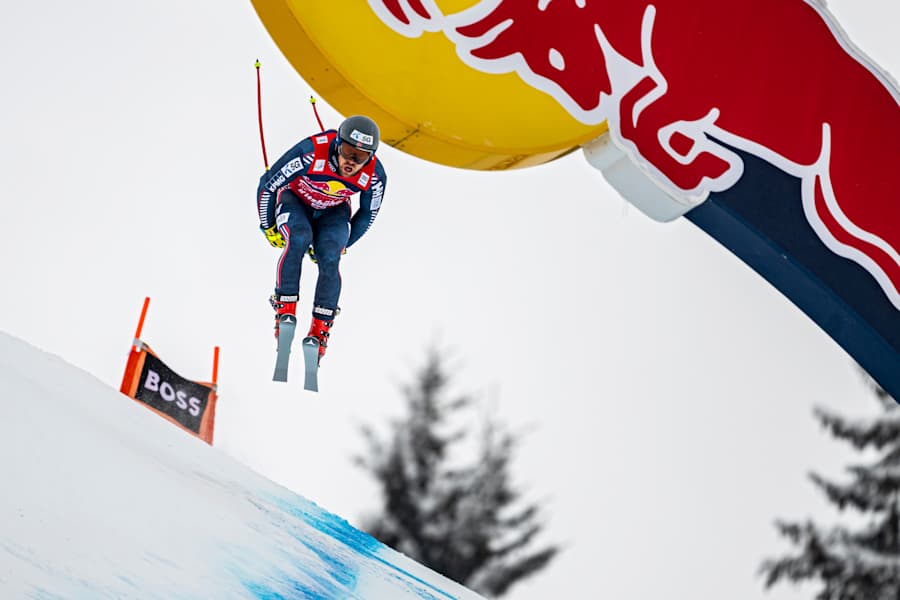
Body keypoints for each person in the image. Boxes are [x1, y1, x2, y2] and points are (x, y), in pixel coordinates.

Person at [256, 115, 387, 363]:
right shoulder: (311, 152)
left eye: (361, 157)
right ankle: (285, 309)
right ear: (338, 143)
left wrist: (345, 245)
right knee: (299, 238)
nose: (351, 162)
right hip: (297, 201)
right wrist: (268, 225)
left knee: (330, 256)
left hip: (333, 212)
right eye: (348, 151)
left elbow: (369, 213)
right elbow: (268, 185)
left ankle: (320, 328)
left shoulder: (375, 175)